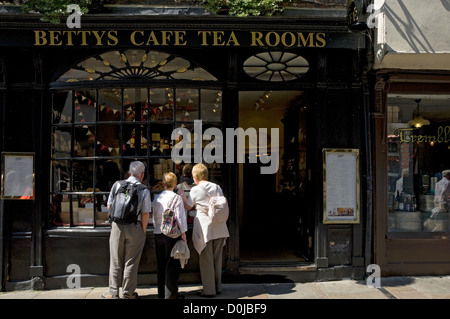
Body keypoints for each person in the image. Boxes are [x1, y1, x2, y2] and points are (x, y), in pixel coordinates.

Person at [102, 161, 151, 299]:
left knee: (115, 260)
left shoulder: (117, 185)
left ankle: (113, 293)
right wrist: (143, 230)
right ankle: (128, 293)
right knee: (131, 261)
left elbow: (109, 206)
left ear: (129, 172)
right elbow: (146, 213)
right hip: (135, 226)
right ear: (142, 175)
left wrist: (115, 222)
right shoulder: (144, 190)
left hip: (117, 226)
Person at [178, 163, 229, 297]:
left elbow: (188, 207)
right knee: (217, 259)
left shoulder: (195, 189)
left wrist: (183, 195)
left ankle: (209, 290)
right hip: (220, 226)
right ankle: (218, 287)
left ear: (196, 176)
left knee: (206, 259)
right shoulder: (217, 187)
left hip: (205, 227)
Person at [152, 172, 188, 299]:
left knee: (161, 265)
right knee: (172, 265)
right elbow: (180, 217)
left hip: (158, 233)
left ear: (163, 183)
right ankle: (171, 294)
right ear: (174, 184)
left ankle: (161, 294)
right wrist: (183, 234)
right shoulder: (176, 198)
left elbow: (154, 218)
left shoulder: (157, 198)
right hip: (172, 235)